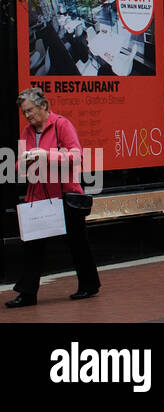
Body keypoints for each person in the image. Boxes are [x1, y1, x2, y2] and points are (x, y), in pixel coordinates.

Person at [6, 89, 100, 308]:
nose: (27, 116)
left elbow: (77, 157)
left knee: (77, 244)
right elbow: (19, 169)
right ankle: (27, 294)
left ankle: (89, 284)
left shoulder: (62, 125)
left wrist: (47, 155)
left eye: (30, 110)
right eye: (24, 112)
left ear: (44, 106)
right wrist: (26, 162)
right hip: (38, 196)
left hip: (66, 195)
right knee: (33, 245)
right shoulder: (27, 132)